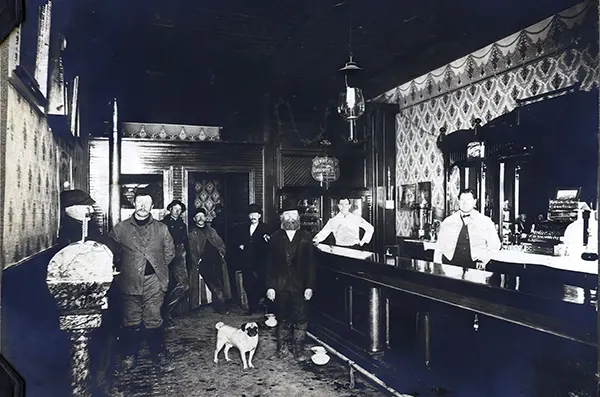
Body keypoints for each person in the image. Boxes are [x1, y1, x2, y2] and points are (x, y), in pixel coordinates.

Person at [109, 191, 175, 372]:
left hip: (154, 281)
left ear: (152, 206)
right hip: (128, 282)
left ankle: (158, 354)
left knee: (153, 317)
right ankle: (129, 355)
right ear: (134, 204)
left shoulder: (162, 228)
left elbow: (170, 253)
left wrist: (155, 268)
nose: (143, 206)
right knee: (131, 320)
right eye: (139, 202)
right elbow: (111, 253)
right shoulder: (120, 228)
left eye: (147, 203)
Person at [266, 198, 315, 362]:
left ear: (298, 217)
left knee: (301, 319)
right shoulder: (275, 238)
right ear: (282, 218)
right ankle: (282, 350)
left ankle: (299, 352)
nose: (291, 218)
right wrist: (270, 287)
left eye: (293, 215)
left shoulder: (306, 237)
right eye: (287, 215)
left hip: (300, 286)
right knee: (282, 318)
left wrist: (309, 286)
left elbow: (311, 266)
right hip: (280, 286)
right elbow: (269, 265)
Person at [434, 188, 501, 270]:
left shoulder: (485, 221)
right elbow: (439, 247)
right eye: (462, 200)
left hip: (474, 267)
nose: (465, 203)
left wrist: (485, 260)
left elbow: (495, 246)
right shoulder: (448, 221)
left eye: (468, 199)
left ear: (475, 202)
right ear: (458, 202)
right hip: (450, 266)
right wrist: (437, 266)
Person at [188, 208, 232, 314]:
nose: (200, 218)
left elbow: (220, 243)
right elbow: (192, 249)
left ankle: (221, 303)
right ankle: (221, 306)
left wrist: (221, 253)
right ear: (194, 219)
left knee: (221, 282)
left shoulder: (212, 230)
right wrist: (197, 261)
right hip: (204, 262)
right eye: (198, 216)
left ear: (206, 217)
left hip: (216, 261)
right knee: (214, 284)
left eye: (202, 216)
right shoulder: (192, 233)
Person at [234, 203, 271, 315]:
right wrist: (240, 245)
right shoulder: (244, 227)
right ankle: (252, 308)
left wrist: (268, 239)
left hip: (260, 263)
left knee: (261, 284)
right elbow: (238, 240)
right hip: (247, 262)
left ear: (259, 215)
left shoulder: (265, 228)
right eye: (251, 214)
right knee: (248, 285)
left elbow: (270, 244)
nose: (253, 216)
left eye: (255, 214)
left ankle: (265, 307)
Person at [162, 199, 190, 327]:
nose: (177, 212)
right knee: (165, 286)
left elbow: (185, 243)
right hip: (165, 254)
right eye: (175, 209)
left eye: (180, 210)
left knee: (184, 285)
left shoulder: (182, 225)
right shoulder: (163, 224)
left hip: (180, 254)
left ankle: (165, 309)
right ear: (170, 209)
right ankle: (164, 316)